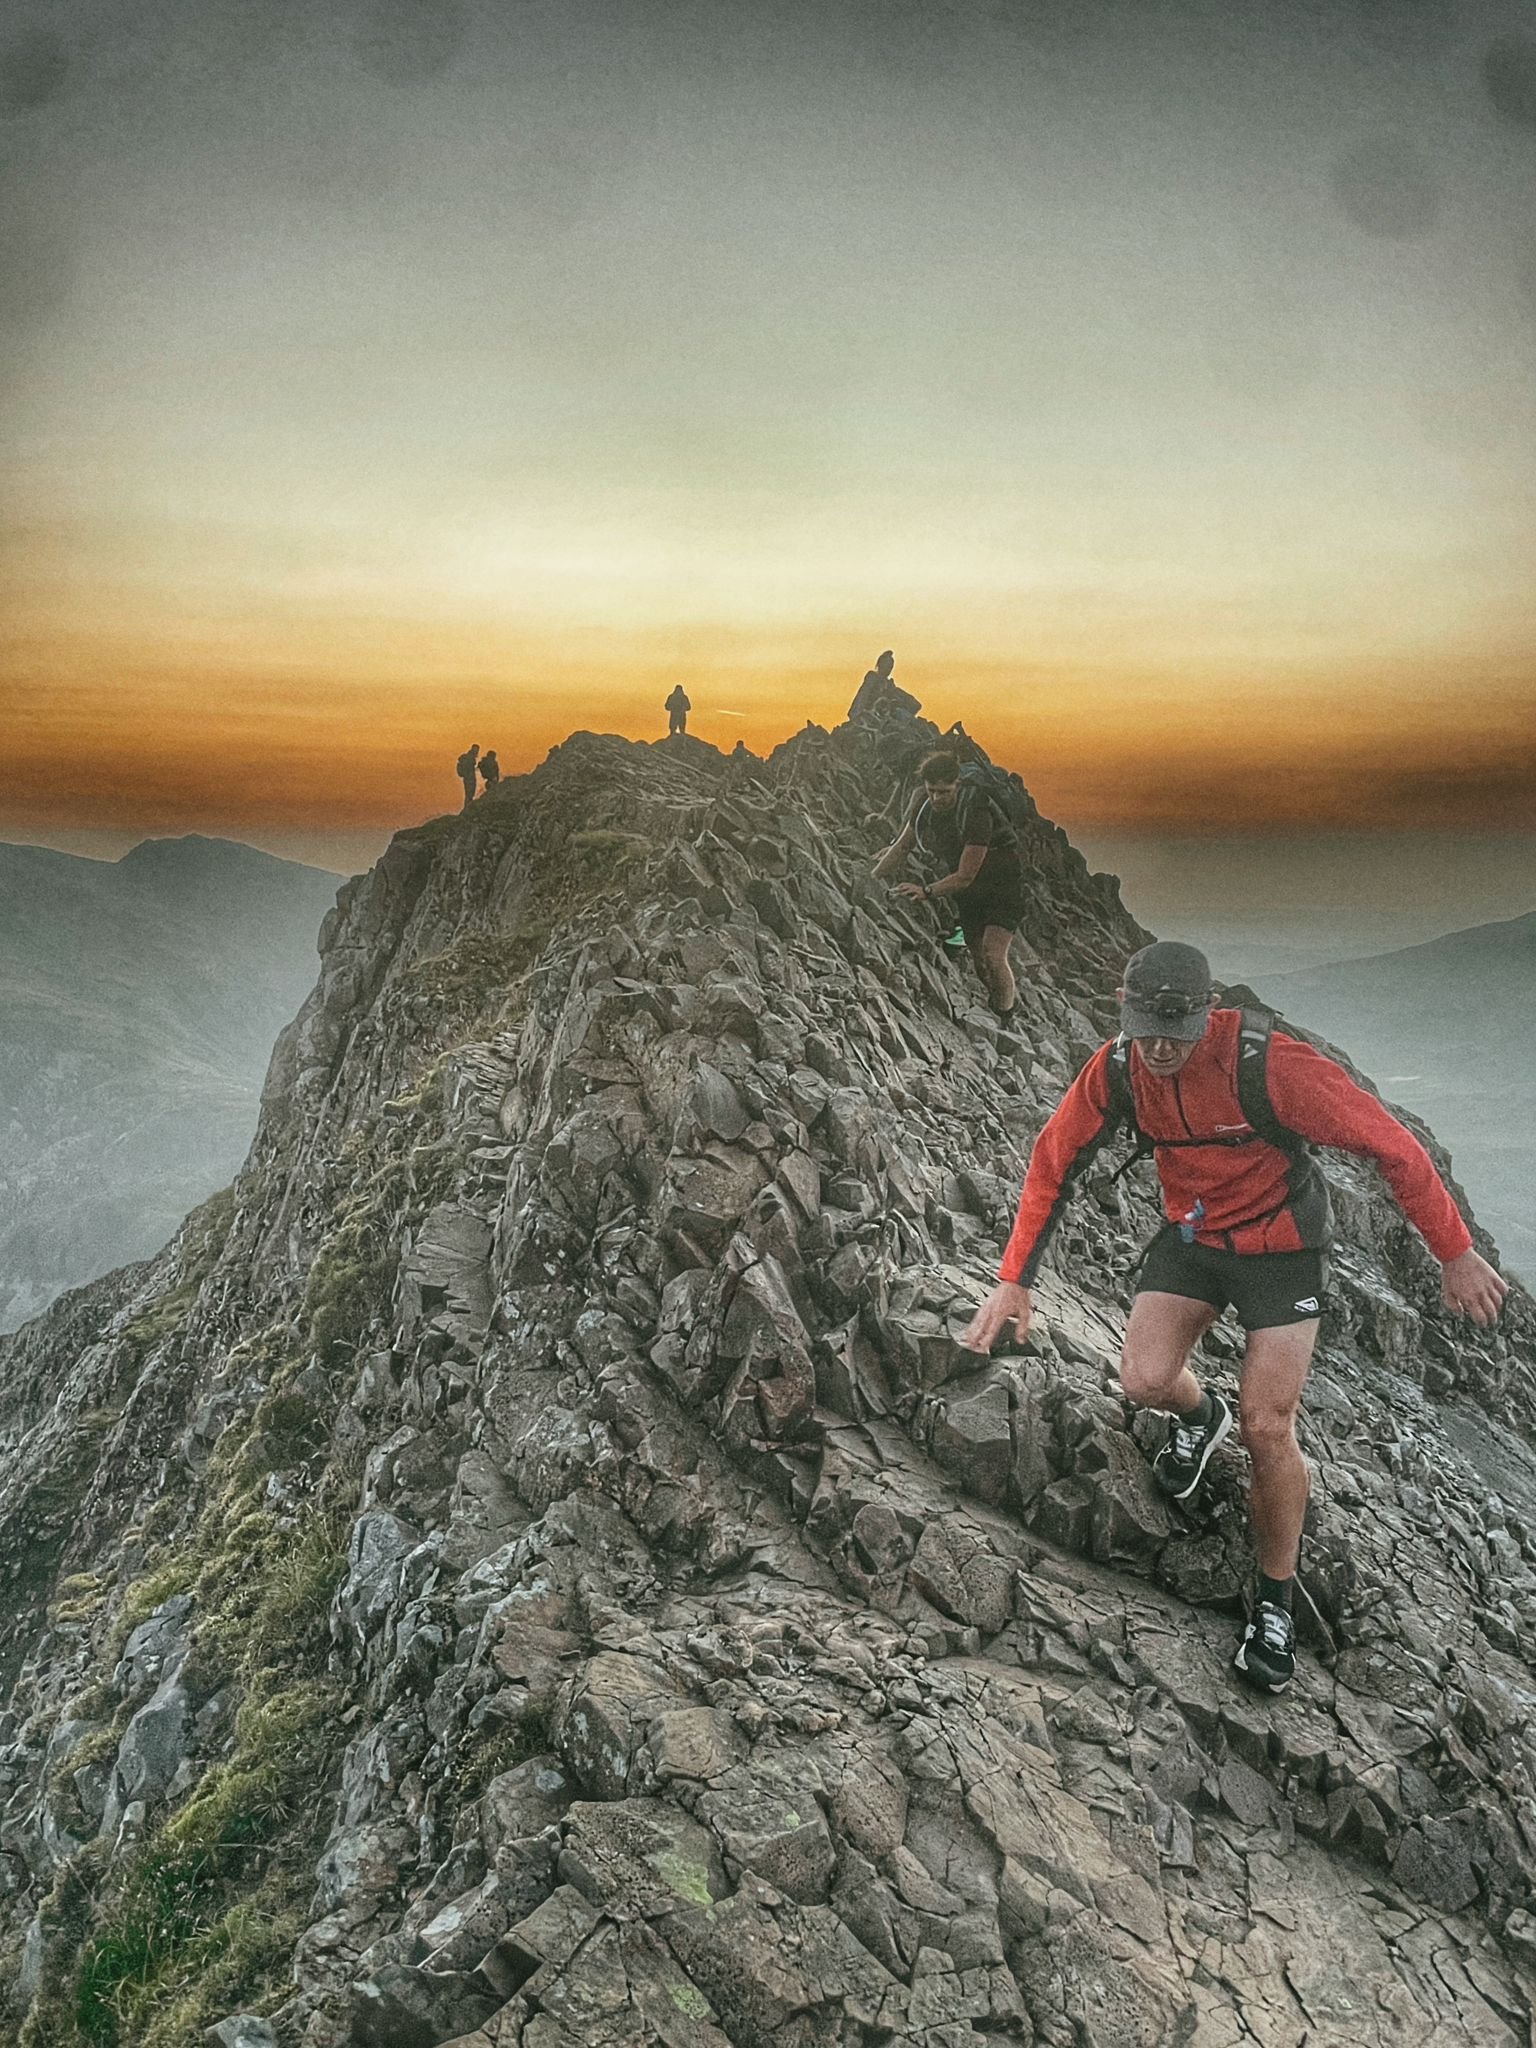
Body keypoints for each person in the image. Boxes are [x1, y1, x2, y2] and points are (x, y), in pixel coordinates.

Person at [963, 940, 1508, 1694]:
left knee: (1268, 1426)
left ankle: (1275, 1601)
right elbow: (1053, 1160)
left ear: (1208, 1012)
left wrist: (1455, 1252)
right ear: (1123, 1008)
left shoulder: (1269, 1065)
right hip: (1194, 1239)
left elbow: (1395, 1148)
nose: (1159, 1047)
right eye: (1145, 1028)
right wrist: (1012, 1281)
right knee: (1143, 1380)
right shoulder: (1116, 1069)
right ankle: (1201, 1414)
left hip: (1283, 1251)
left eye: (1177, 1030)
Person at [874, 749, 1027, 1027]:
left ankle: (1007, 1017)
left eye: (944, 792)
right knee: (979, 960)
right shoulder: (924, 807)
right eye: (931, 791)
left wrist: (926, 891)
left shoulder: (975, 810)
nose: (937, 798)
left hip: (1002, 884)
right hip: (969, 892)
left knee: (993, 954)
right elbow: (903, 847)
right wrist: (872, 879)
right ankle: (997, 1003)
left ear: (957, 783)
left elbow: (966, 875)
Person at [456, 744, 480, 811]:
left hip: (468, 778)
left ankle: (467, 808)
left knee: (469, 794)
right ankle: (467, 809)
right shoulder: (470, 757)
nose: (477, 752)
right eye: (476, 750)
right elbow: (469, 768)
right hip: (469, 778)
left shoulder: (468, 757)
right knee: (469, 794)